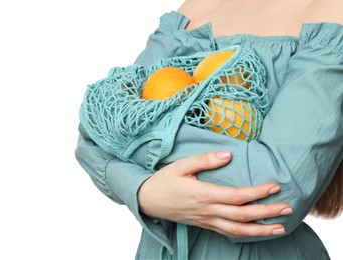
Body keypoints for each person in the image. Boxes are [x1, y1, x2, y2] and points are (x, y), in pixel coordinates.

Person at [75, 0, 343, 259]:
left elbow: (273, 189)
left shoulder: (333, 12)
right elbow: (94, 133)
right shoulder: (193, 9)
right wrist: (144, 192)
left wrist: (135, 159)